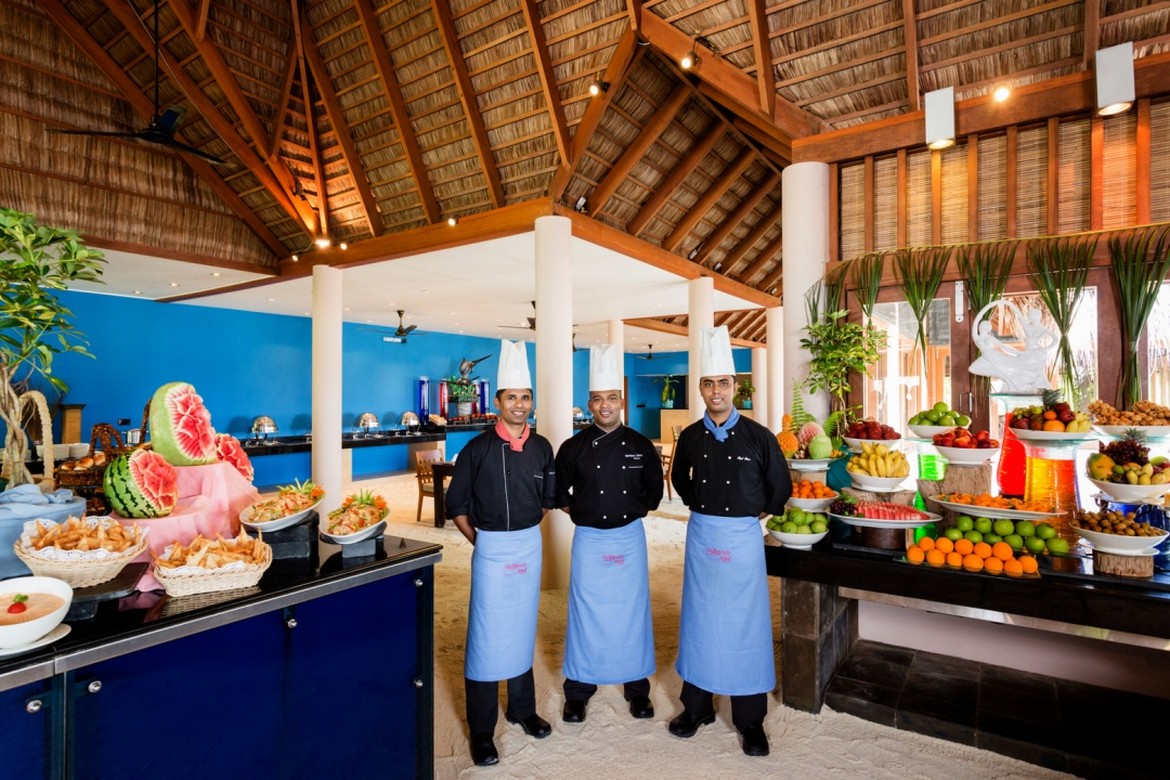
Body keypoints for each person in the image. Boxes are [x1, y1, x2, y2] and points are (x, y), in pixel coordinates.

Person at [668, 326, 791, 757]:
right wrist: (697, 502)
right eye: (708, 383)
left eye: (723, 382)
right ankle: (697, 707)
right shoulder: (690, 436)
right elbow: (678, 479)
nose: (716, 390)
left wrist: (759, 510)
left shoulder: (759, 436)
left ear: (735, 387)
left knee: (745, 626)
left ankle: (750, 720)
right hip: (703, 533)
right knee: (700, 621)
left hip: (741, 537)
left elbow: (780, 486)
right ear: (700, 388)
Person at [445, 340, 557, 767]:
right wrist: (484, 541)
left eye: (526, 397)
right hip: (491, 546)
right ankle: (481, 730)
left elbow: (546, 499)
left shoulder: (543, 447)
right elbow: (456, 504)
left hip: (529, 543)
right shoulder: (476, 450)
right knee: (487, 636)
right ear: (497, 402)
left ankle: (523, 710)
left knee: (522, 626)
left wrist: (522, 535)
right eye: (512, 397)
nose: (520, 404)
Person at [555, 344, 664, 725]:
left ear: (621, 400)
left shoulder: (640, 445)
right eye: (598, 399)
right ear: (589, 403)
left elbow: (653, 495)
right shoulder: (572, 447)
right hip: (590, 539)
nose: (605, 405)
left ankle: (638, 691)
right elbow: (559, 494)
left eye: (612, 398)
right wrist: (585, 513)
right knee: (584, 612)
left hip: (628, 538)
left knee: (632, 611)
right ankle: (578, 692)